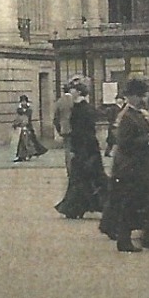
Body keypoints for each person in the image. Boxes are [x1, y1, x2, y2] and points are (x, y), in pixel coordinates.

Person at [99, 79, 149, 252]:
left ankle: (146, 236)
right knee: (129, 204)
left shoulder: (140, 114)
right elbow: (124, 142)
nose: (142, 98)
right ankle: (124, 240)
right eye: (139, 95)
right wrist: (147, 140)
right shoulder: (126, 116)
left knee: (148, 202)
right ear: (131, 97)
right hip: (129, 167)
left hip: (143, 166)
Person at [55, 81, 107, 220]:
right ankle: (77, 206)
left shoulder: (83, 109)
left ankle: (77, 206)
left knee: (85, 178)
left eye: (72, 90)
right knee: (83, 178)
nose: (70, 92)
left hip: (85, 148)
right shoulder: (79, 107)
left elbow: (84, 131)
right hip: (85, 148)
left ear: (78, 92)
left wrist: (77, 148)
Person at [12, 94, 49, 163]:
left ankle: (29, 154)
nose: (23, 103)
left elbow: (27, 118)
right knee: (21, 143)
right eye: (22, 101)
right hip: (20, 128)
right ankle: (21, 155)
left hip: (27, 127)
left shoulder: (29, 110)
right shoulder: (19, 110)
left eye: (24, 101)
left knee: (28, 142)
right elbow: (18, 117)